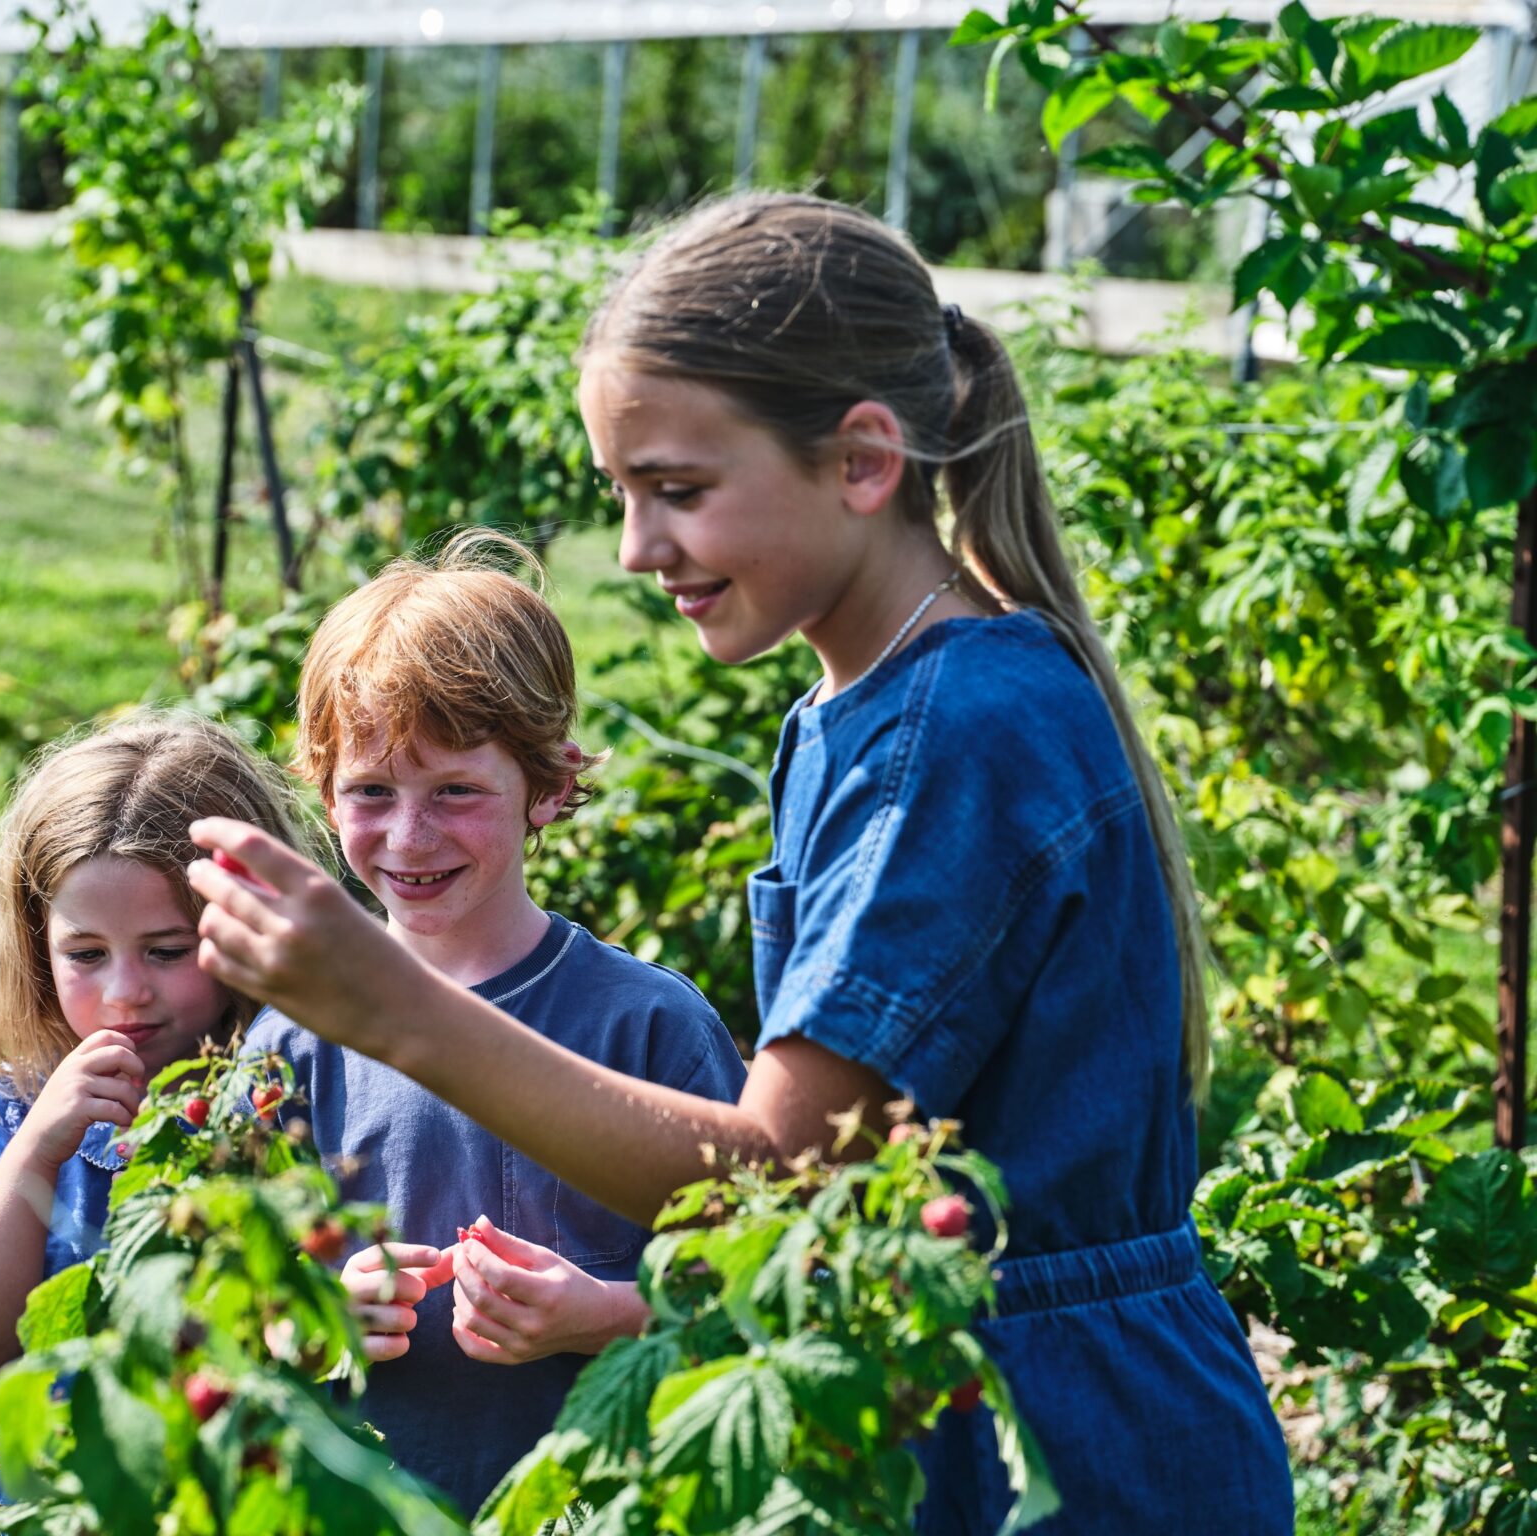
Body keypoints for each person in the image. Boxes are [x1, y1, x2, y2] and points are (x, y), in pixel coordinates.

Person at [183, 194, 1294, 1534]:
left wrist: (388, 1005)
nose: (640, 549)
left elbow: (783, 1172)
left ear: (863, 462)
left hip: (1063, 1450)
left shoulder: (959, 734)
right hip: (953, 1410)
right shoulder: (857, 709)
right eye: (624, 495)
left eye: (680, 491)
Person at [242, 529, 747, 1515]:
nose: (408, 836)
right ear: (324, 790)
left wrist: (601, 1315)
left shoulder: (645, 1026)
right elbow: (236, 1311)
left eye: (456, 792)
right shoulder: (292, 1042)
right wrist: (314, 1319)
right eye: (370, 793)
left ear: (549, 787)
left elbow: (751, 1296)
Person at [0, 710, 314, 1468]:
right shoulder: (0, 1113)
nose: (126, 992)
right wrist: (36, 1151)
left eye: (167, 951)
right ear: (37, 945)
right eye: (86, 953)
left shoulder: (286, 1097)